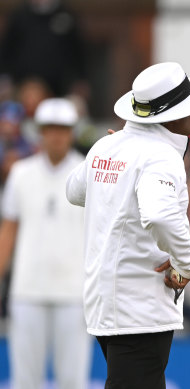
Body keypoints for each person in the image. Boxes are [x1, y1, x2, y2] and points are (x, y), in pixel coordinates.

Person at [65, 62, 190, 388]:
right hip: (140, 306)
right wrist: (186, 262)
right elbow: (159, 214)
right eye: (189, 106)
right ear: (170, 115)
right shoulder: (160, 154)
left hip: (108, 303)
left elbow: (75, 191)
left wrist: (106, 153)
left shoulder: (108, 145)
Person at [0, 98, 91, 389]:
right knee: (25, 380)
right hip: (27, 289)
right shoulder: (20, 174)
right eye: (49, 128)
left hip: (74, 292)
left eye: (62, 128)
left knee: (72, 381)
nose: (56, 135)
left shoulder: (88, 173)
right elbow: (8, 231)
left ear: (72, 132)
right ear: (39, 132)